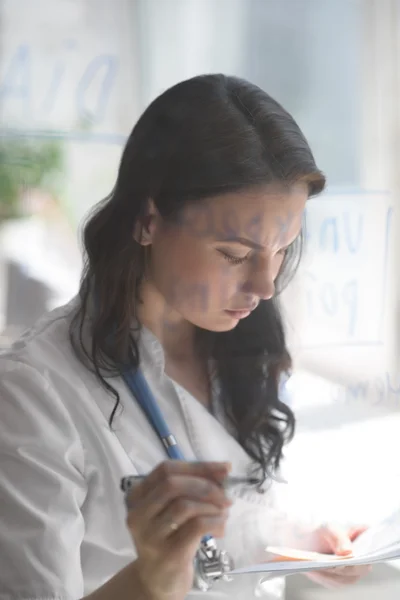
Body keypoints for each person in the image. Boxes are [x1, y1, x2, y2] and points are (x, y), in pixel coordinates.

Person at [0, 74, 371, 600]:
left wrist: (302, 540)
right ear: (148, 221)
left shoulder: (232, 343)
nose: (265, 286)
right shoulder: (32, 392)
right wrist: (148, 580)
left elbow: (234, 522)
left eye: (283, 249)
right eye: (235, 255)